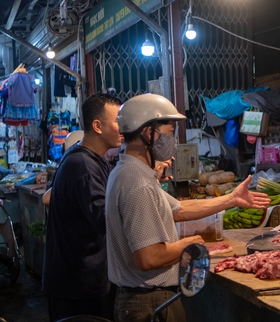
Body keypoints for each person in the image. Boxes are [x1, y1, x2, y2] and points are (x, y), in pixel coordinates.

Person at [106, 94, 270, 322]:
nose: (171, 141)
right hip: (149, 302)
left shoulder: (130, 172)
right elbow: (148, 258)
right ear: (148, 133)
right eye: (169, 132)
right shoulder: (138, 183)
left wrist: (231, 199)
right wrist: (190, 244)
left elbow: (179, 209)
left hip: (147, 298)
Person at [42, 93, 123, 321]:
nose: (122, 127)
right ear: (97, 126)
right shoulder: (83, 166)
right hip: (76, 285)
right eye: (117, 120)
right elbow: (106, 219)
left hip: (86, 278)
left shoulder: (95, 161)